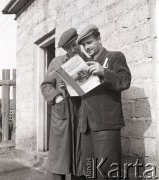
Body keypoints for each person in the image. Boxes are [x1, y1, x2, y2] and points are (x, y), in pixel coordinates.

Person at [76, 24, 131, 179]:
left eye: (89, 42)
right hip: (86, 126)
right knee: (90, 172)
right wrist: (67, 86)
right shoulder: (83, 65)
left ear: (99, 39)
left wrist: (104, 72)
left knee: (106, 173)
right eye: (84, 45)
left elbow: (125, 81)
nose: (86, 47)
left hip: (106, 125)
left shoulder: (115, 57)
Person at [41, 28, 88, 180]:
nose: (73, 49)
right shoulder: (56, 62)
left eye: (74, 45)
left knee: (79, 159)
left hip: (81, 112)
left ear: (78, 42)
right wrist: (57, 97)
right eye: (68, 47)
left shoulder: (87, 60)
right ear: (64, 49)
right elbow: (45, 85)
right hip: (62, 114)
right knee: (59, 159)